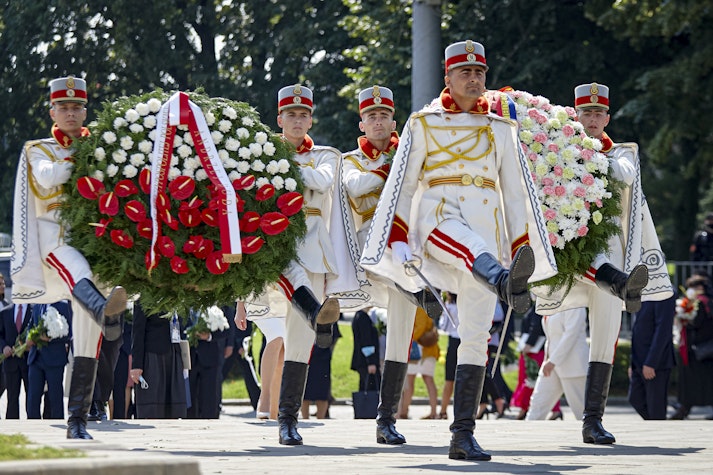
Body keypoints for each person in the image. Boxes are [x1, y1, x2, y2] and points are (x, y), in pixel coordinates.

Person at [360, 40, 558, 461]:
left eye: (480, 72)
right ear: (447, 77)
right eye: (464, 72)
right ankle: (507, 282)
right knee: (467, 246)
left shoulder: (501, 128)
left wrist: (520, 245)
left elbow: (516, 193)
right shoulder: (423, 123)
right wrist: (397, 237)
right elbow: (406, 182)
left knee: (476, 336)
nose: (474, 78)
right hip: (438, 216)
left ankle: (462, 434)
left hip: (487, 229)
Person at [534, 82, 673, 444]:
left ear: (607, 118)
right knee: (587, 268)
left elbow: (624, 175)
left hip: (612, 257)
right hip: (574, 256)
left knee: (606, 337)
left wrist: (585, 157)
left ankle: (592, 421)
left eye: (598, 114)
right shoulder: (557, 152)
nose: (592, 119)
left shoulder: (622, 153)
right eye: (586, 113)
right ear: (574, 115)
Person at [11, 76, 127, 438]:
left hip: (93, 240)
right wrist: (92, 155)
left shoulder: (106, 146)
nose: (71, 113)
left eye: (77, 107)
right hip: (55, 239)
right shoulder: (39, 149)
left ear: (85, 111)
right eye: (64, 107)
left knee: (86, 334)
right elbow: (48, 178)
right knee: (77, 271)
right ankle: (107, 312)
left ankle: (77, 420)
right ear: (52, 111)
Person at [336, 85, 439, 445]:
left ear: (393, 121)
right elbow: (354, 186)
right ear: (361, 124)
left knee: (400, 335)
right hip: (368, 254)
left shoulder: (412, 154)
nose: (378, 122)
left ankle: (386, 420)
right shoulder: (351, 159)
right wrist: (393, 172)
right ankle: (424, 289)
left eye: (384, 116)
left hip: (406, 255)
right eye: (371, 117)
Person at [246, 84, 342, 445]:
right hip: (277, 243)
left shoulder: (326, 154)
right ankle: (315, 311)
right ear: (279, 119)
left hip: (314, 249)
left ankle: (287, 419)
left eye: (304, 115)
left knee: (299, 342)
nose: (298, 121)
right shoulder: (260, 154)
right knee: (289, 271)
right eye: (291, 115)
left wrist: (280, 165)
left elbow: (322, 181)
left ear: (311, 119)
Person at [526, 308, 589, 421]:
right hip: (551, 364)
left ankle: (593, 436)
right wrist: (548, 360)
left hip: (573, 366)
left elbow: (571, 334)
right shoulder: (551, 302)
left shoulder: (576, 304)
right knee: (537, 404)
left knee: (582, 411)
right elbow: (551, 338)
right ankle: (525, 436)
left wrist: (553, 361)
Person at [129, 301, 187, 419]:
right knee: (152, 406)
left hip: (173, 353)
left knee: (174, 406)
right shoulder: (144, 299)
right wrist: (137, 365)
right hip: (152, 355)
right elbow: (137, 332)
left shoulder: (178, 296)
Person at [670, 275, 713, 419]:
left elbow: (697, 322)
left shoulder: (699, 303)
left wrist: (685, 319)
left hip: (695, 350)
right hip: (705, 349)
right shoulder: (708, 301)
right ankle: (684, 408)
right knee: (706, 382)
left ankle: (684, 408)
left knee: (691, 381)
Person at [628, 296, 676, 420]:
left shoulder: (665, 292)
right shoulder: (642, 293)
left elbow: (663, 330)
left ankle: (659, 434)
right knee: (635, 398)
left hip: (657, 362)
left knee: (656, 408)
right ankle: (655, 427)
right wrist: (632, 363)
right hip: (638, 359)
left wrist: (652, 362)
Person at [236, 302, 283, 419]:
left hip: (289, 296)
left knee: (281, 356)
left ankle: (274, 411)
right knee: (276, 336)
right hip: (262, 296)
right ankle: (264, 396)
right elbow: (240, 282)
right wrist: (240, 307)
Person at [26, 301, 72, 419]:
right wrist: (29, 337)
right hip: (35, 358)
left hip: (55, 359)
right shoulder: (37, 305)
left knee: (55, 397)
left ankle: (57, 424)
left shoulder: (64, 306)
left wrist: (51, 337)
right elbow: (31, 325)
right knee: (33, 397)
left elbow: (69, 333)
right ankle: (32, 426)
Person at [186, 307, 229, 419]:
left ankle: (210, 420)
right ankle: (190, 422)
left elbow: (225, 330)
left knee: (209, 395)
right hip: (189, 358)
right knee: (190, 394)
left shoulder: (214, 308)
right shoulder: (183, 306)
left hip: (210, 357)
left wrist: (209, 336)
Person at [399, 307, 440, 420]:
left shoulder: (419, 307)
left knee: (411, 380)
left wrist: (407, 337)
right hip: (426, 350)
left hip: (420, 350)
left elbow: (420, 328)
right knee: (426, 379)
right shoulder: (425, 307)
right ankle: (432, 412)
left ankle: (404, 411)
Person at [302, 322, 341, 420]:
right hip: (305, 354)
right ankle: (305, 419)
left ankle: (321, 418)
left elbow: (334, 335)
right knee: (304, 391)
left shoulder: (327, 309)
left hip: (322, 357)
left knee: (322, 391)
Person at [0, 302, 32, 418]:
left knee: (31, 398)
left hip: (29, 363)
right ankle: (12, 428)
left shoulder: (33, 310)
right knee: (12, 398)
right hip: (10, 362)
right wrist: (4, 347)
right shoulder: (5, 312)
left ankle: (32, 426)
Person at [438, 292, 460, 420]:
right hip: (465, 340)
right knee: (462, 379)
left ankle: (443, 410)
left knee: (449, 379)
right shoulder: (467, 305)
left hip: (454, 342)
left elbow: (444, 326)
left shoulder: (449, 306)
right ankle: (460, 412)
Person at [351, 307, 381, 396]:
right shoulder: (363, 318)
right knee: (370, 390)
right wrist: (370, 362)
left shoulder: (360, 316)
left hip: (362, 359)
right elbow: (366, 341)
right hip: (366, 361)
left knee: (365, 388)